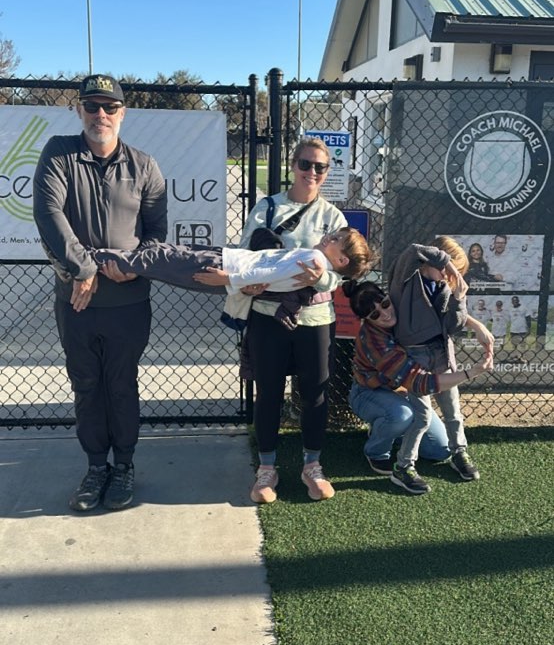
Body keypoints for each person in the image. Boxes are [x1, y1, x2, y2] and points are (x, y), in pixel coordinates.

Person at [33, 74, 168, 513]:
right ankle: (96, 466)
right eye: (92, 106)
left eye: (110, 107)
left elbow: (155, 235)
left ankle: (124, 465)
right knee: (87, 386)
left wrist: (132, 266)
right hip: (76, 301)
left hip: (128, 305)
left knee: (121, 386)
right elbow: (48, 213)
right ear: (79, 111)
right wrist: (84, 270)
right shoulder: (59, 154)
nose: (101, 115)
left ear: (123, 113)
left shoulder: (145, 166)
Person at [238, 137, 349, 505]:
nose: (312, 173)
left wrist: (320, 278)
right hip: (268, 315)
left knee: (315, 394)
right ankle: (266, 469)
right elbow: (243, 256)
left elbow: (344, 272)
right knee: (268, 392)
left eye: (320, 167)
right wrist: (250, 282)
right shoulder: (267, 208)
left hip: (316, 318)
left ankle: (312, 465)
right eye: (305, 165)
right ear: (292, 165)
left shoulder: (333, 217)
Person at [347, 280, 492, 494]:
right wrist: (470, 373)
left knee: (440, 450)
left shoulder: (400, 308)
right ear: (367, 320)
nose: (385, 314)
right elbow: (420, 382)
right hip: (371, 392)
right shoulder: (373, 339)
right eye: (375, 315)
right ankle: (377, 450)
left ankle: (391, 430)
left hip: (404, 390)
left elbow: (437, 314)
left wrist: (476, 325)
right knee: (403, 416)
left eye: (384, 304)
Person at [93, 227, 371, 332]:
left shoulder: (316, 260)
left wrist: (229, 279)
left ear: (342, 260)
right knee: (164, 256)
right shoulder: (318, 261)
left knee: (162, 259)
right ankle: (108, 259)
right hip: (226, 260)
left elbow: (268, 274)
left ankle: (91, 259)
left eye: (335, 240)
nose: (328, 237)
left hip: (225, 268)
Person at [387, 239, 494, 492]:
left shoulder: (443, 287)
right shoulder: (407, 277)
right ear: (434, 260)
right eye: (447, 268)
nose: (449, 275)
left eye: (454, 271)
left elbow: (453, 326)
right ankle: (403, 466)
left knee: (453, 410)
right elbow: (413, 249)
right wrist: (449, 266)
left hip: (442, 354)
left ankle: (459, 452)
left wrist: (459, 298)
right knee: (422, 416)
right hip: (415, 357)